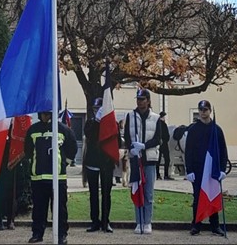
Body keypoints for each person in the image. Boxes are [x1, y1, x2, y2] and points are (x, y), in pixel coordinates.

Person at [24, 111, 77, 245]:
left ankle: (61, 235)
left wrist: (65, 162)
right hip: (38, 177)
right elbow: (28, 150)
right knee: (38, 209)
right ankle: (37, 234)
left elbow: (72, 147)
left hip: (58, 177)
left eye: (48, 114)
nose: (46, 116)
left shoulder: (63, 129)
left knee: (60, 209)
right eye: (44, 114)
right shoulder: (33, 130)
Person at [184, 100, 228, 236]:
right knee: (198, 197)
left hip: (213, 169)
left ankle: (215, 225)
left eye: (206, 110)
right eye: (201, 110)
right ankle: (196, 225)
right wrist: (189, 170)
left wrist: (222, 169)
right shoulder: (193, 129)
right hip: (198, 169)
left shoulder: (217, 129)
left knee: (213, 196)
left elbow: (223, 151)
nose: (203, 113)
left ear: (210, 111)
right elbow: (188, 151)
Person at [124, 88, 161, 235]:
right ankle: (138, 222)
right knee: (137, 191)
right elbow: (127, 135)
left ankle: (147, 222)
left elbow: (158, 138)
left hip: (150, 159)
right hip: (135, 159)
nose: (140, 102)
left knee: (148, 194)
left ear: (148, 100)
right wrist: (131, 148)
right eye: (138, 100)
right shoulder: (130, 116)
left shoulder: (156, 118)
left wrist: (145, 146)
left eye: (142, 99)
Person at [84, 97, 118, 233]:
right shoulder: (90, 123)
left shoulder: (112, 123)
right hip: (93, 161)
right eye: (95, 109)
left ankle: (105, 221)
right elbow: (90, 135)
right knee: (93, 194)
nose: (97, 111)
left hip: (106, 162)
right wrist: (98, 122)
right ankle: (94, 221)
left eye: (100, 109)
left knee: (106, 193)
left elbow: (115, 141)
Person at [156, 111, 173, 181]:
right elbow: (166, 134)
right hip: (164, 144)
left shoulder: (157, 124)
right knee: (167, 159)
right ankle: (166, 175)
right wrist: (165, 139)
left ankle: (157, 174)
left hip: (158, 144)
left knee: (158, 160)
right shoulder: (163, 124)